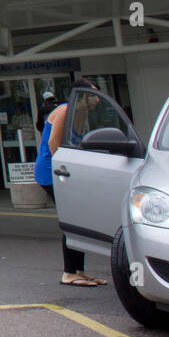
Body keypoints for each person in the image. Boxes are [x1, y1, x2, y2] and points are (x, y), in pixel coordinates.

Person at [34, 76, 108, 288]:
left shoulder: (80, 112)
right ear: (83, 96)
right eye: (93, 94)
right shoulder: (66, 110)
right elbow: (53, 142)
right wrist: (64, 170)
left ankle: (79, 271)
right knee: (72, 220)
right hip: (51, 173)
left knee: (79, 219)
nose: (97, 99)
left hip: (65, 172)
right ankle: (68, 272)